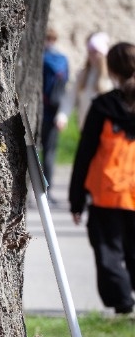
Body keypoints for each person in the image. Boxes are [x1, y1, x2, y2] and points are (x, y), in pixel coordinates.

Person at [68, 41, 135, 316]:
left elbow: (85, 154)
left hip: (107, 191)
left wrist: (76, 199)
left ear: (112, 71)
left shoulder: (103, 106)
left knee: (108, 251)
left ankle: (123, 304)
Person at [56, 32, 114, 134]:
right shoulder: (83, 74)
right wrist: (62, 116)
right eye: (90, 52)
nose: (91, 55)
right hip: (84, 127)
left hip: (103, 130)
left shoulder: (111, 77)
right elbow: (70, 96)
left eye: (94, 52)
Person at [40, 27, 69, 195]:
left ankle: (33, 190)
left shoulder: (41, 59)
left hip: (41, 108)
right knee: (50, 152)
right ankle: (48, 191)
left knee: (35, 150)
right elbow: (65, 84)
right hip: (55, 110)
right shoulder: (63, 59)